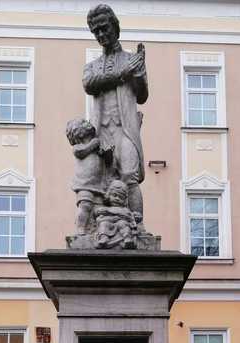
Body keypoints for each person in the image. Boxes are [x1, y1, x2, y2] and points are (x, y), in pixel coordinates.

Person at [83, 4, 148, 221]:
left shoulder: (131, 60)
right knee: (102, 180)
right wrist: (123, 74)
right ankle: (99, 226)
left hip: (125, 128)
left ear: (115, 27)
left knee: (130, 175)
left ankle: (137, 226)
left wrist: (138, 73)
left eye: (104, 28)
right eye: (96, 31)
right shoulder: (92, 66)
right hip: (101, 131)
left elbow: (142, 96)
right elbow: (89, 84)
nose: (101, 34)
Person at [66, 117, 112, 235]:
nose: (88, 123)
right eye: (83, 123)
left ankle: (96, 230)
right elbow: (81, 152)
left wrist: (107, 153)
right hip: (84, 184)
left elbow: (108, 162)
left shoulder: (97, 146)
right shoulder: (78, 147)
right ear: (79, 133)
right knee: (85, 205)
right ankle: (80, 228)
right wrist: (94, 143)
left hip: (98, 184)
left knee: (99, 209)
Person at [96, 180, 138, 248]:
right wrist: (110, 217)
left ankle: (127, 238)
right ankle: (104, 238)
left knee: (123, 224)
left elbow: (129, 217)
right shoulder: (105, 209)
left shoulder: (124, 209)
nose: (117, 199)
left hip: (121, 225)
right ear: (108, 195)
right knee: (104, 224)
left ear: (124, 200)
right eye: (114, 195)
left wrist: (134, 216)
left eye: (120, 197)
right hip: (108, 224)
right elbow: (99, 218)